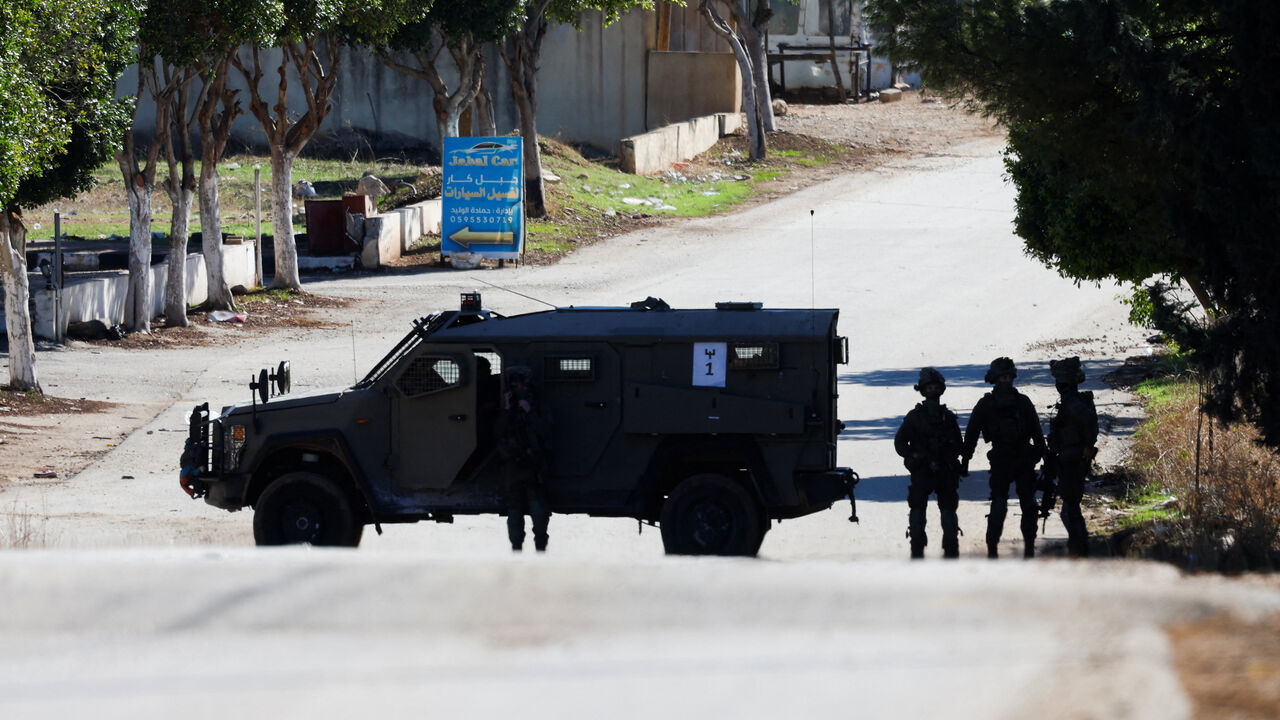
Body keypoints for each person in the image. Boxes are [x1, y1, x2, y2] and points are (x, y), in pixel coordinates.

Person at [962, 357, 1047, 559]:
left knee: (1027, 504)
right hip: (1002, 459)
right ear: (995, 378)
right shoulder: (990, 404)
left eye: (1008, 377)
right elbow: (971, 435)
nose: (1006, 380)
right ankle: (993, 548)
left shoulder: (1021, 402)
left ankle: (1028, 547)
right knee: (1000, 506)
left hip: (1022, 459)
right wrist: (965, 461)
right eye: (1002, 377)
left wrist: (1045, 458)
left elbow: (1037, 432)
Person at [894, 367, 965, 559]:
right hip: (922, 471)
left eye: (935, 387)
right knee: (917, 512)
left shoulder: (948, 418)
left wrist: (949, 458)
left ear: (941, 390)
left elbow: (959, 445)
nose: (932, 391)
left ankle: (951, 550)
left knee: (949, 512)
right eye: (929, 387)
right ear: (923, 390)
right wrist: (914, 456)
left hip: (945, 471)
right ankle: (917, 550)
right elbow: (900, 443)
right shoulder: (914, 417)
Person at [1044, 356, 1099, 557]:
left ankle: (1079, 549)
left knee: (1069, 509)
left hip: (1072, 459)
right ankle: (1079, 548)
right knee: (1070, 506)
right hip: (1070, 458)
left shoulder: (1073, 402)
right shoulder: (1072, 401)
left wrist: (1085, 447)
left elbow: (1088, 421)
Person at [494, 366, 551, 552]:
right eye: (514, 386)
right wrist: (507, 408)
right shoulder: (507, 409)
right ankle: (516, 546)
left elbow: (545, 431)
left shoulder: (536, 407)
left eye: (520, 386)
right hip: (513, 465)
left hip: (533, 465)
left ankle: (540, 544)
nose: (517, 389)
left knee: (538, 510)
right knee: (515, 510)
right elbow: (498, 432)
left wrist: (530, 412)